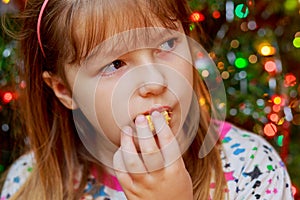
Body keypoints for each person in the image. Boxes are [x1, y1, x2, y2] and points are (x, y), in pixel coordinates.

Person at [0, 0, 294, 199]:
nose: (155, 81)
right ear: (64, 90)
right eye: (115, 64)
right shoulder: (25, 185)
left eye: (167, 44)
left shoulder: (250, 165)